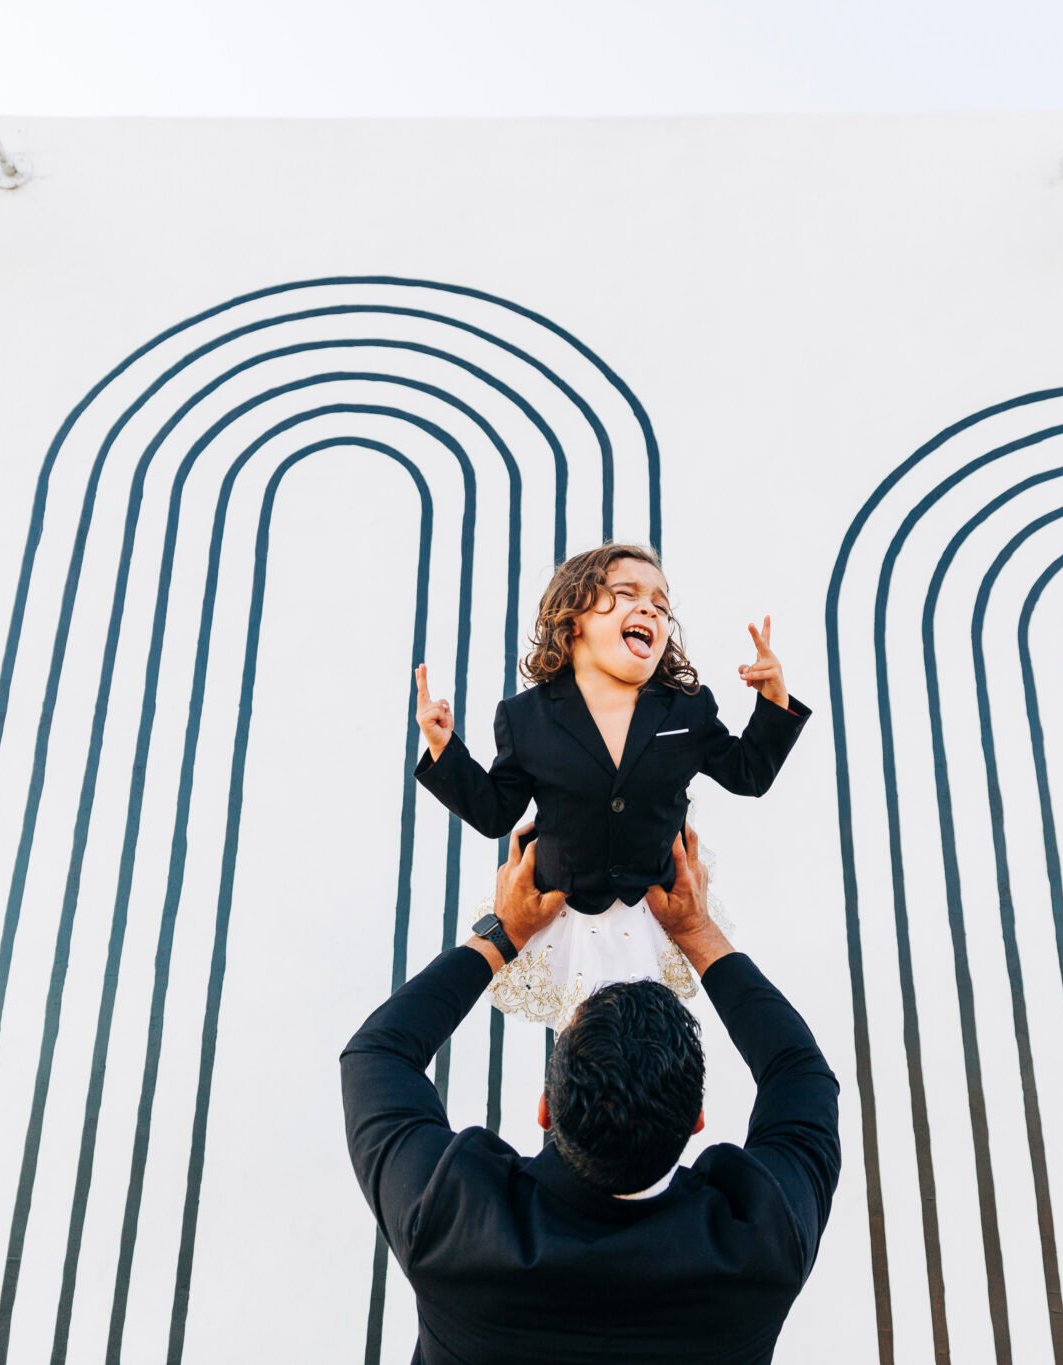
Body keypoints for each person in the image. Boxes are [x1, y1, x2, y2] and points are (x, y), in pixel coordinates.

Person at [340, 826, 840, 1363]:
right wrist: (697, 931)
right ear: (696, 1119)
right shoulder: (765, 1245)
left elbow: (377, 1056)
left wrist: (502, 931)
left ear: (544, 1109)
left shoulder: (448, 1225)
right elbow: (799, 1072)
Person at [412, 543, 808, 1023]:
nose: (650, 608)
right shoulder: (525, 717)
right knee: (585, 1044)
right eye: (627, 593)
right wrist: (443, 749)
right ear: (572, 618)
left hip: (655, 914)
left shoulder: (688, 707)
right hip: (567, 917)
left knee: (651, 1042)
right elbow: (495, 812)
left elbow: (749, 774)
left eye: (661, 605)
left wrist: (774, 702)